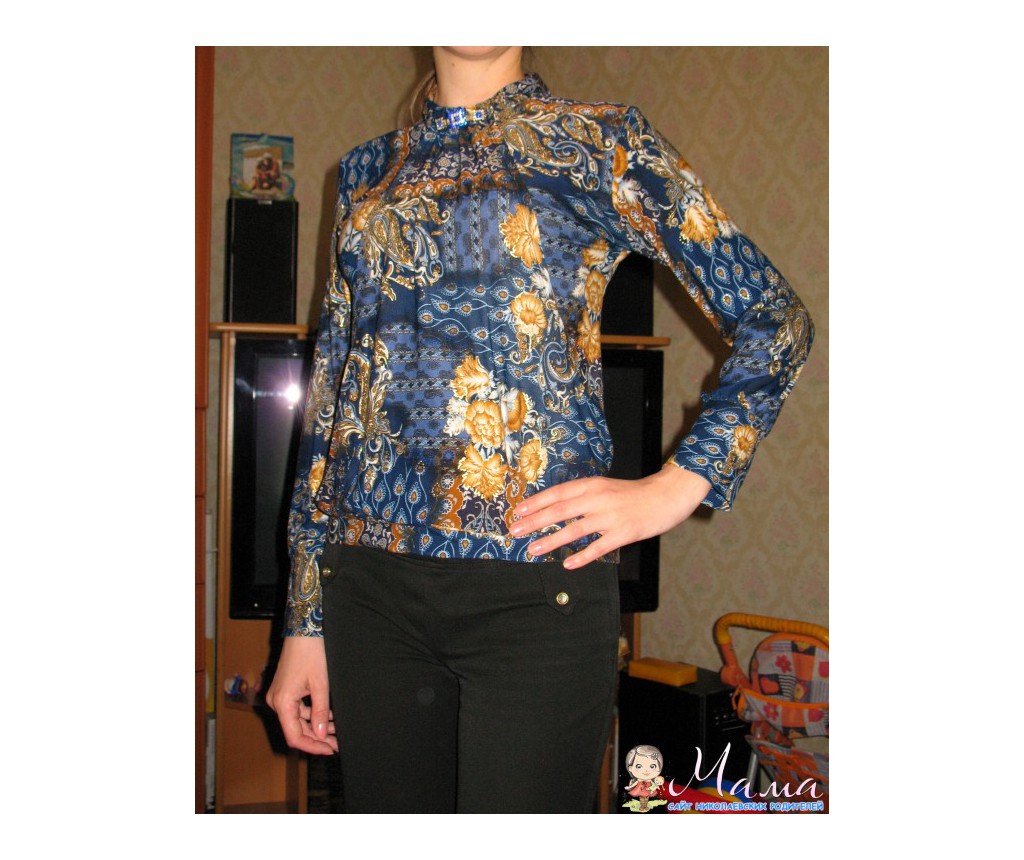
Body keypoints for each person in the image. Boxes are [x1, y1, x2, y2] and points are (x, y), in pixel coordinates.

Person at [266, 46, 813, 813]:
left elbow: (774, 320)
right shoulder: (364, 173)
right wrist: (304, 620)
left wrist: (677, 484)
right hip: (368, 596)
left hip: (534, 599)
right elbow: (330, 402)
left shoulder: (598, 142)